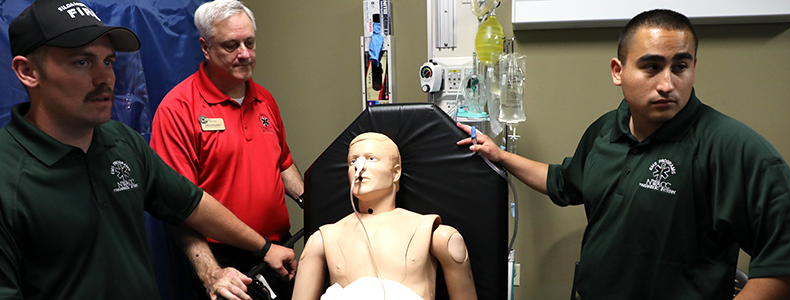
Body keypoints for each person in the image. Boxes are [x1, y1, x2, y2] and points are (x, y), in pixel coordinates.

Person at [458, 9, 790, 300]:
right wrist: (499, 155)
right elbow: (563, 182)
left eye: (680, 67)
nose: (667, 83)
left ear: (694, 66)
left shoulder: (729, 146)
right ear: (618, 71)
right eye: (651, 67)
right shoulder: (606, 130)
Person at [0, 0, 296, 299]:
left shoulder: (122, 142)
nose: (105, 78)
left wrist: (265, 248)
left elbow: (190, 205)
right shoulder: (7, 175)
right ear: (28, 72)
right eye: (82, 62)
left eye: (109, 62)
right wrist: (211, 270)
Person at [149, 0, 304, 299]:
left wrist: (314, 199)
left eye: (249, 42)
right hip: (224, 261)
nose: (244, 54)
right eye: (231, 45)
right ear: (205, 48)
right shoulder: (178, 109)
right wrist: (211, 273)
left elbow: (282, 164)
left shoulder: (264, 99)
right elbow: (179, 209)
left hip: (280, 251)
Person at [291, 132, 478, 300]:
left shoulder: (434, 235)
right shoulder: (323, 240)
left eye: (371, 158)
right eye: (353, 161)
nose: (359, 167)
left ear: (395, 172)